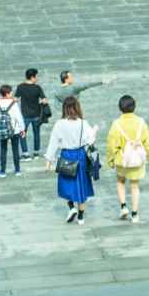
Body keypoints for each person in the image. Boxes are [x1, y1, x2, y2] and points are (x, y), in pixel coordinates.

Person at [46, 95, 97, 224]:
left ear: (65, 109)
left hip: (66, 155)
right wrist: (95, 130)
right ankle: (80, 217)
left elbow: (54, 142)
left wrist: (49, 159)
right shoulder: (83, 123)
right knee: (81, 186)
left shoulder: (59, 124)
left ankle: (71, 208)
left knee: (66, 185)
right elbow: (90, 140)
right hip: (80, 156)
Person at [106, 95, 149, 224]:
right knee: (134, 186)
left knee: (120, 181)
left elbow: (111, 144)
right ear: (134, 107)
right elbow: (148, 142)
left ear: (120, 108)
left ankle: (123, 207)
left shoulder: (116, 124)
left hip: (122, 160)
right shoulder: (141, 123)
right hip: (137, 160)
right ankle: (134, 214)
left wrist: (110, 159)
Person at [0, 86, 26, 178]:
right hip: (14, 130)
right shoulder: (13, 104)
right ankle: (17, 170)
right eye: (10, 92)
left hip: (2, 129)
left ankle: (2, 171)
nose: (11, 94)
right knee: (15, 150)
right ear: (7, 93)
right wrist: (22, 129)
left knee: (3, 150)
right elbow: (18, 117)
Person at [14, 69, 49, 159]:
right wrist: (42, 102)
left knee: (22, 133)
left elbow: (16, 99)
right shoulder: (37, 88)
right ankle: (36, 153)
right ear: (32, 77)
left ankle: (25, 153)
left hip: (25, 115)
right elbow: (44, 100)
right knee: (36, 134)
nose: (37, 78)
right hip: (36, 115)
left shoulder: (20, 87)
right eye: (36, 76)